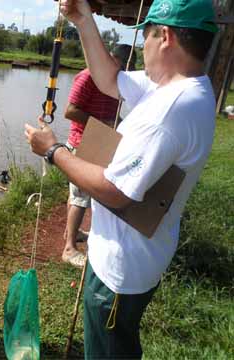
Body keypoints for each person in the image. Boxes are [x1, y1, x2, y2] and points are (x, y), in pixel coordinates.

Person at [25, 0, 218, 358]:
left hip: (121, 268)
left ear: (165, 36)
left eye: (144, 36)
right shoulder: (178, 89)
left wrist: (54, 151)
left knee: (109, 349)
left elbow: (115, 192)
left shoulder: (171, 109)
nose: (141, 47)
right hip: (137, 255)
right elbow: (109, 79)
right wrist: (83, 20)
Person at [62, 44, 136, 268]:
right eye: (125, 66)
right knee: (82, 196)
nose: (126, 71)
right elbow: (70, 111)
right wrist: (101, 125)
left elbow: (112, 116)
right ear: (113, 60)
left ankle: (71, 233)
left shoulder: (115, 83)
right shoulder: (88, 76)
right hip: (83, 143)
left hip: (101, 140)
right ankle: (68, 249)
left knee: (79, 194)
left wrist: (125, 127)